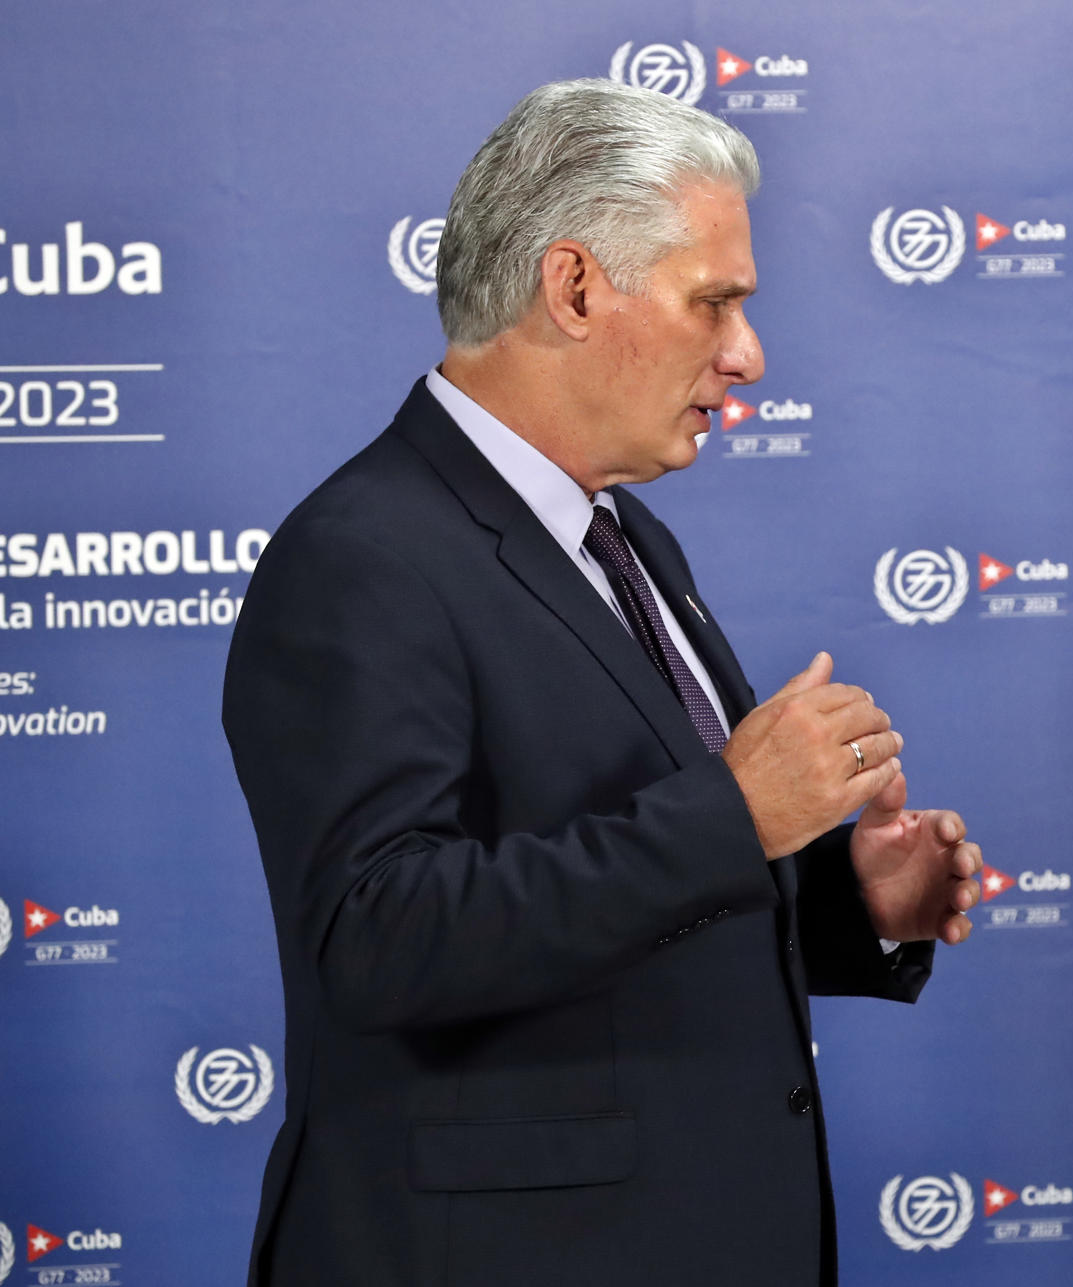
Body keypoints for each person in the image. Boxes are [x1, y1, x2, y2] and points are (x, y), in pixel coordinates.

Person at [222, 79, 981, 1287]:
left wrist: (841, 901)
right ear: (574, 287)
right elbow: (375, 940)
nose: (747, 354)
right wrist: (737, 815)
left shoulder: (625, 541)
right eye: (715, 303)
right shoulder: (364, 557)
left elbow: (632, 900)